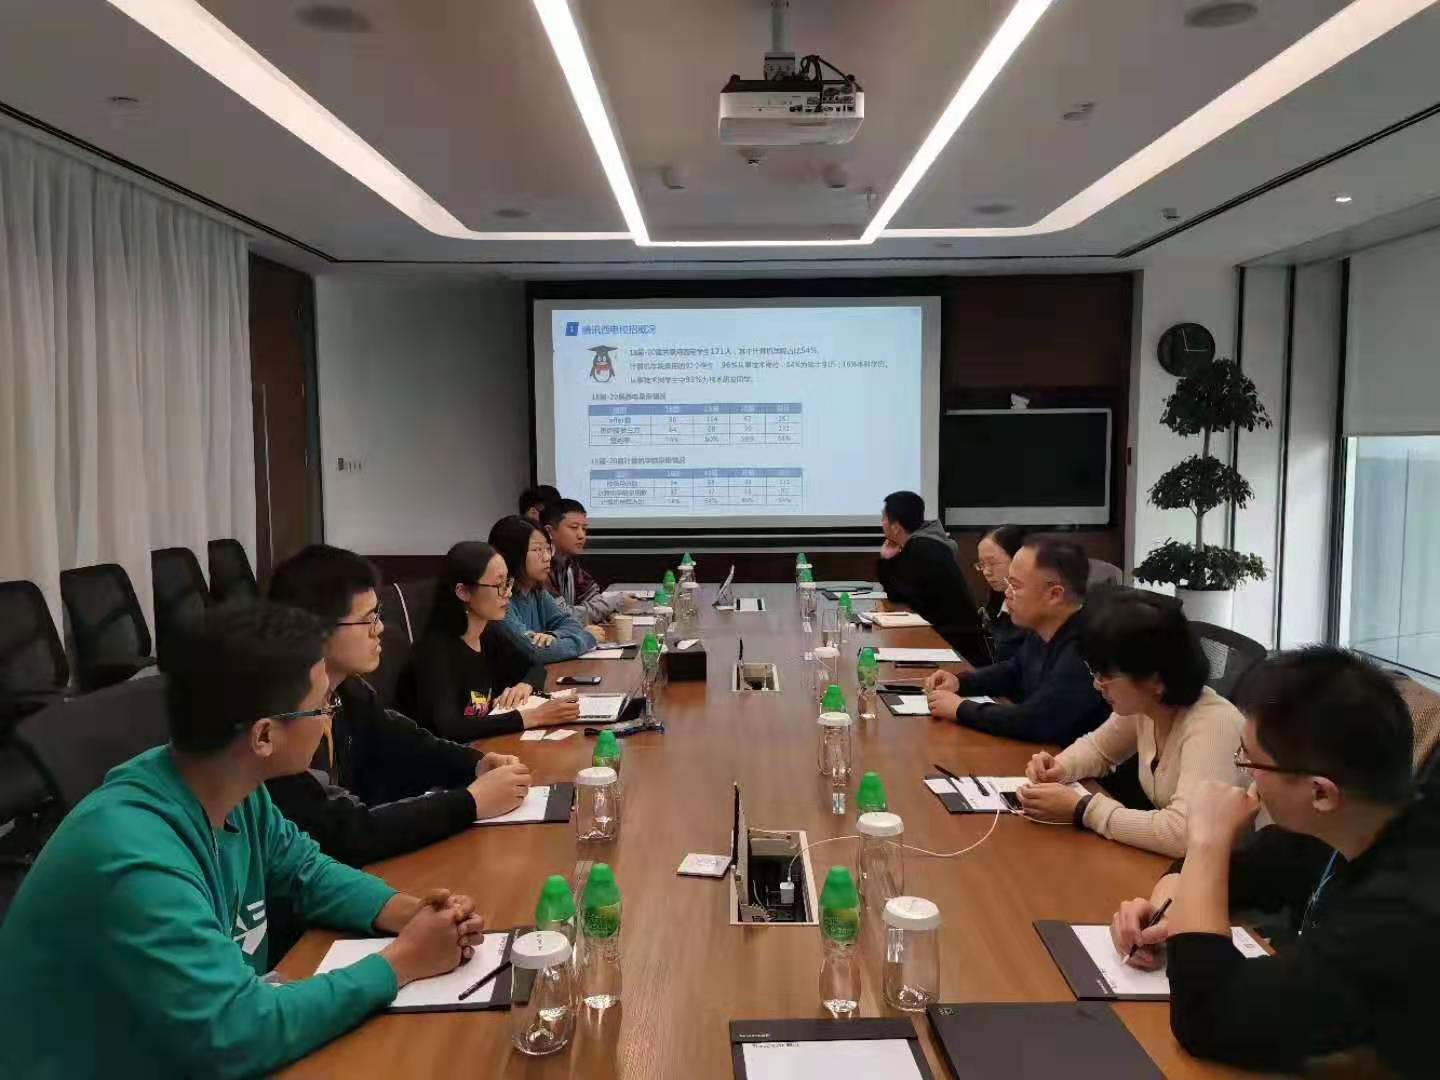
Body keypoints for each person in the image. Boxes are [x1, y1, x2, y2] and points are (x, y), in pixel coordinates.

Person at [0, 604, 486, 1078]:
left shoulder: (228, 787)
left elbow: (306, 871)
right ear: (263, 737)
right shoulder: (132, 855)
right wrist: (402, 961)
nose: (329, 718)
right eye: (323, 705)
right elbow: (237, 1031)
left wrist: (411, 913)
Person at [1108, 647, 1437, 1077]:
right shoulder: (1350, 819)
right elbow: (1241, 872)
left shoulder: (1402, 911)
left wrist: (1207, 840)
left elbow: (1205, 1018)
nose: (1245, 773)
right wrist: (1168, 905)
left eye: (1249, 760)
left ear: (1320, 792)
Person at [264, 544, 534, 866]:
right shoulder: (282, 721)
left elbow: (407, 743)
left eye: (378, 615)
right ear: (317, 632)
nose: (380, 628)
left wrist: (476, 764)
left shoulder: (348, 690)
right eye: (368, 619)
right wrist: (471, 802)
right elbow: (341, 832)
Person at [1018, 592, 1246, 855]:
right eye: (1095, 672)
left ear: (1156, 679)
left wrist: (1083, 809)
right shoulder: (1146, 705)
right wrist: (1059, 768)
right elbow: (1099, 749)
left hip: (1231, 869)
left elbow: (1183, 833)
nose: (1097, 685)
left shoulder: (1214, 726)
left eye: (1106, 676)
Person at [924, 538, 1108, 744]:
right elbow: (1015, 670)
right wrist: (962, 683)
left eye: (1016, 585)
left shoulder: (1086, 647)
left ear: (1054, 594)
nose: (1007, 593)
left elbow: (1035, 721)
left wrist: (960, 708)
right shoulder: (1044, 628)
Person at [398, 541, 580, 742]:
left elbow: (535, 667)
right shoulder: (434, 651)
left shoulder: (488, 634)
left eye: (508, 583)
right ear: (463, 591)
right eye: (498, 585)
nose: (508, 593)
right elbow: (449, 728)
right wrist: (532, 717)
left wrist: (524, 685)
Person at [874, 491, 983, 657]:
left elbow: (898, 597)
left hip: (954, 642)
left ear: (895, 527)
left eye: (884, 518)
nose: (882, 523)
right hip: (944, 632)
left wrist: (887, 559)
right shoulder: (924, 543)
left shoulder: (921, 548)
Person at [488, 515, 599, 662]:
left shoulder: (537, 591)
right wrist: (587, 638)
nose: (547, 557)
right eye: (537, 549)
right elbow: (536, 652)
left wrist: (552, 636)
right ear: (512, 554)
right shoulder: (500, 599)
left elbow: (572, 623)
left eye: (548, 549)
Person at [544, 497, 622, 626]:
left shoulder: (569, 562)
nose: (581, 535)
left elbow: (591, 595)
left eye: (584, 528)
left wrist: (607, 611)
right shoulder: (542, 568)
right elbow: (563, 615)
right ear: (549, 531)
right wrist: (614, 603)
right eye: (574, 527)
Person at [974, 524, 1029, 662]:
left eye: (993, 563)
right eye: (982, 564)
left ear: (1018, 558)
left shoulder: (1033, 610)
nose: (986, 572)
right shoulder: (998, 601)